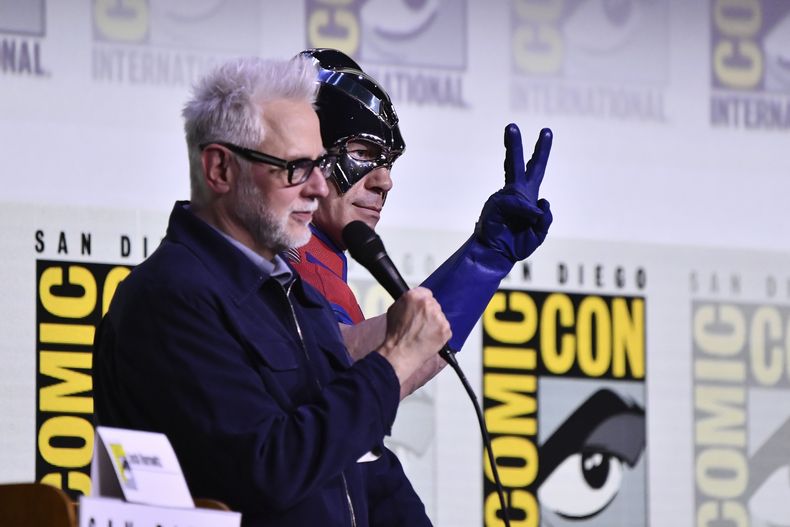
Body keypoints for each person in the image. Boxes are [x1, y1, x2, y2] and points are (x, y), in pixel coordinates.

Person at [92, 55, 452, 527]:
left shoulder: (293, 294)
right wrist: (392, 364)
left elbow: (360, 461)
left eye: (321, 165)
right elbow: (268, 469)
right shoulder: (171, 298)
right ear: (220, 169)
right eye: (297, 168)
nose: (320, 188)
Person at [289, 49, 553, 392]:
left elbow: (378, 382)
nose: (384, 182)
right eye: (364, 153)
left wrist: (485, 259)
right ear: (305, 152)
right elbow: (346, 370)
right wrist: (482, 261)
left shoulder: (319, 263)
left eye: (389, 163)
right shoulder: (286, 261)